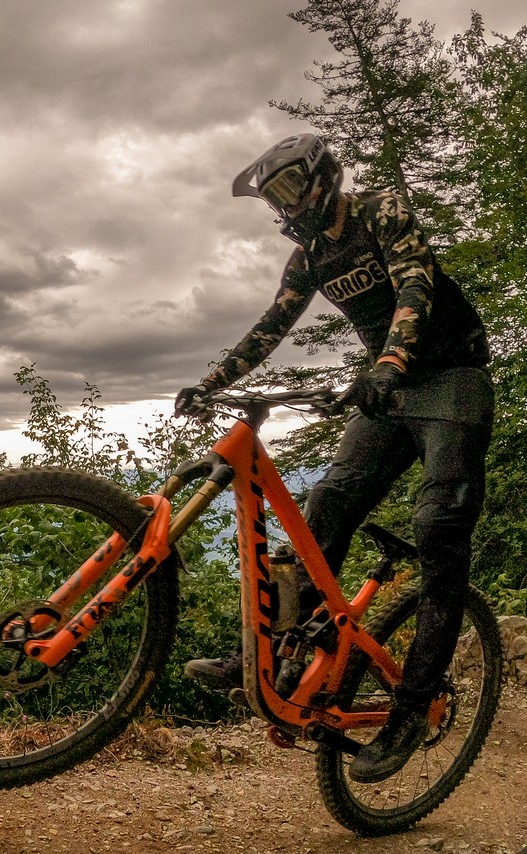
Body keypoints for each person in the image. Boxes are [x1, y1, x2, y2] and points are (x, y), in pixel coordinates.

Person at [174, 133, 493, 784]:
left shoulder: (382, 213)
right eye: (274, 198)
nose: (285, 207)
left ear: (324, 179)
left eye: (290, 189)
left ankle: (410, 712)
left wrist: (390, 360)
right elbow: (271, 326)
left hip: (452, 379)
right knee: (329, 503)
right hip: (392, 389)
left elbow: (413, 287)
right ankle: (275, 656)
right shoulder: (309, 257)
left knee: (438, 531)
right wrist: (212, 382)